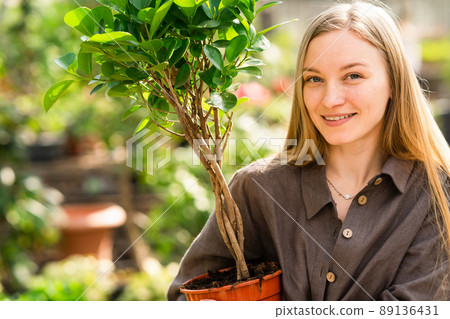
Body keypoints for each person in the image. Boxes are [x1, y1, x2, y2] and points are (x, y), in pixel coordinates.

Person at [168, 0, 450, 301]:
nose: (330, 99)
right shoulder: (256, 189)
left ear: (394, 82)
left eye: (353, 76)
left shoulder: (435, 193)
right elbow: (184, 298)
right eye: (314, 79)